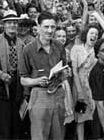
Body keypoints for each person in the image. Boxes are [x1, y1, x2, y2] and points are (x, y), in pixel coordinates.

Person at [19, 12, 69, 140]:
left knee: (58, 135)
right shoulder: (28, 50)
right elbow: (23, 80)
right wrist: (36, 81)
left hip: (58, 94)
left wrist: (65, 74)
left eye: (53, 27)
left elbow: (63, 71)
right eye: (46, 27)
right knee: (39, 135)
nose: (50, 30)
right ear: (38, 27)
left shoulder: (59, 46)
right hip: (39, 96)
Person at [0, 10, 25, 139]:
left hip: (17, 87)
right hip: (0, 90)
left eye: (14, 22)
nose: (12, 25)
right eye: (9, 23)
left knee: (16, 123)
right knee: (3, 124)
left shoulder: (21, 43)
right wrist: (1, 75)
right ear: (4, 25)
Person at [71, 24, 100, 140]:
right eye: (92, 33)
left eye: (97, 34)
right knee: (81, 115)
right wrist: (79, 91)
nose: (94, 36)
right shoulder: (76, 49)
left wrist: (97, 15)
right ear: (86, 34)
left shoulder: (97, 50)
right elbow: (74, 71)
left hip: (93, 85)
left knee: (95, 114)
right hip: (80, 84)